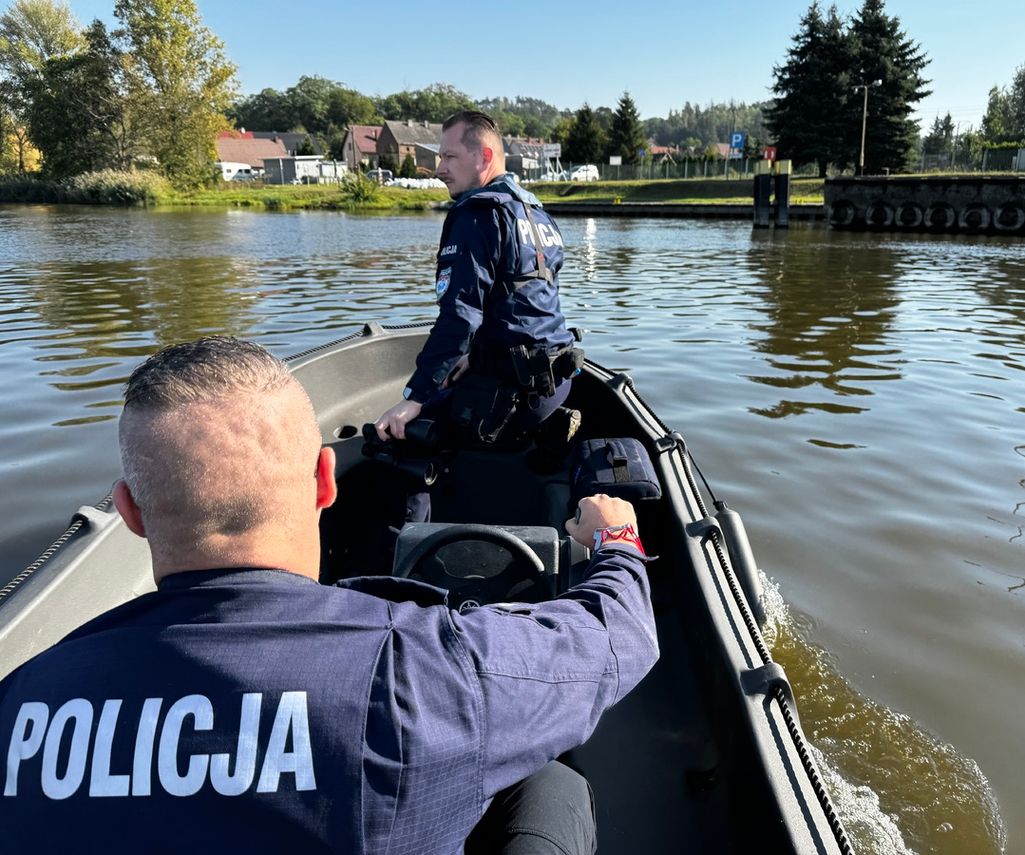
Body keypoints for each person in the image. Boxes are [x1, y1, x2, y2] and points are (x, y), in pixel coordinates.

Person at [0, 337, 658, 855]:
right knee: (550, 782)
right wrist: (618, 538)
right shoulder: (428, 675)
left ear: (130, 511)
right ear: (324, 479)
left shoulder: (23, 698)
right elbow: (620, 635)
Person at [374, 110, 581, 448]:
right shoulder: (538, 214)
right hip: (555, 381)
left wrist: (414, 398)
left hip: (513, 393)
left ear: (483, 157)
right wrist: (477, 357)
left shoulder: (477, 216)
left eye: (449, 156)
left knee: (399, 439)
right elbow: (527, 308)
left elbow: (459, 317)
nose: (439, 168)